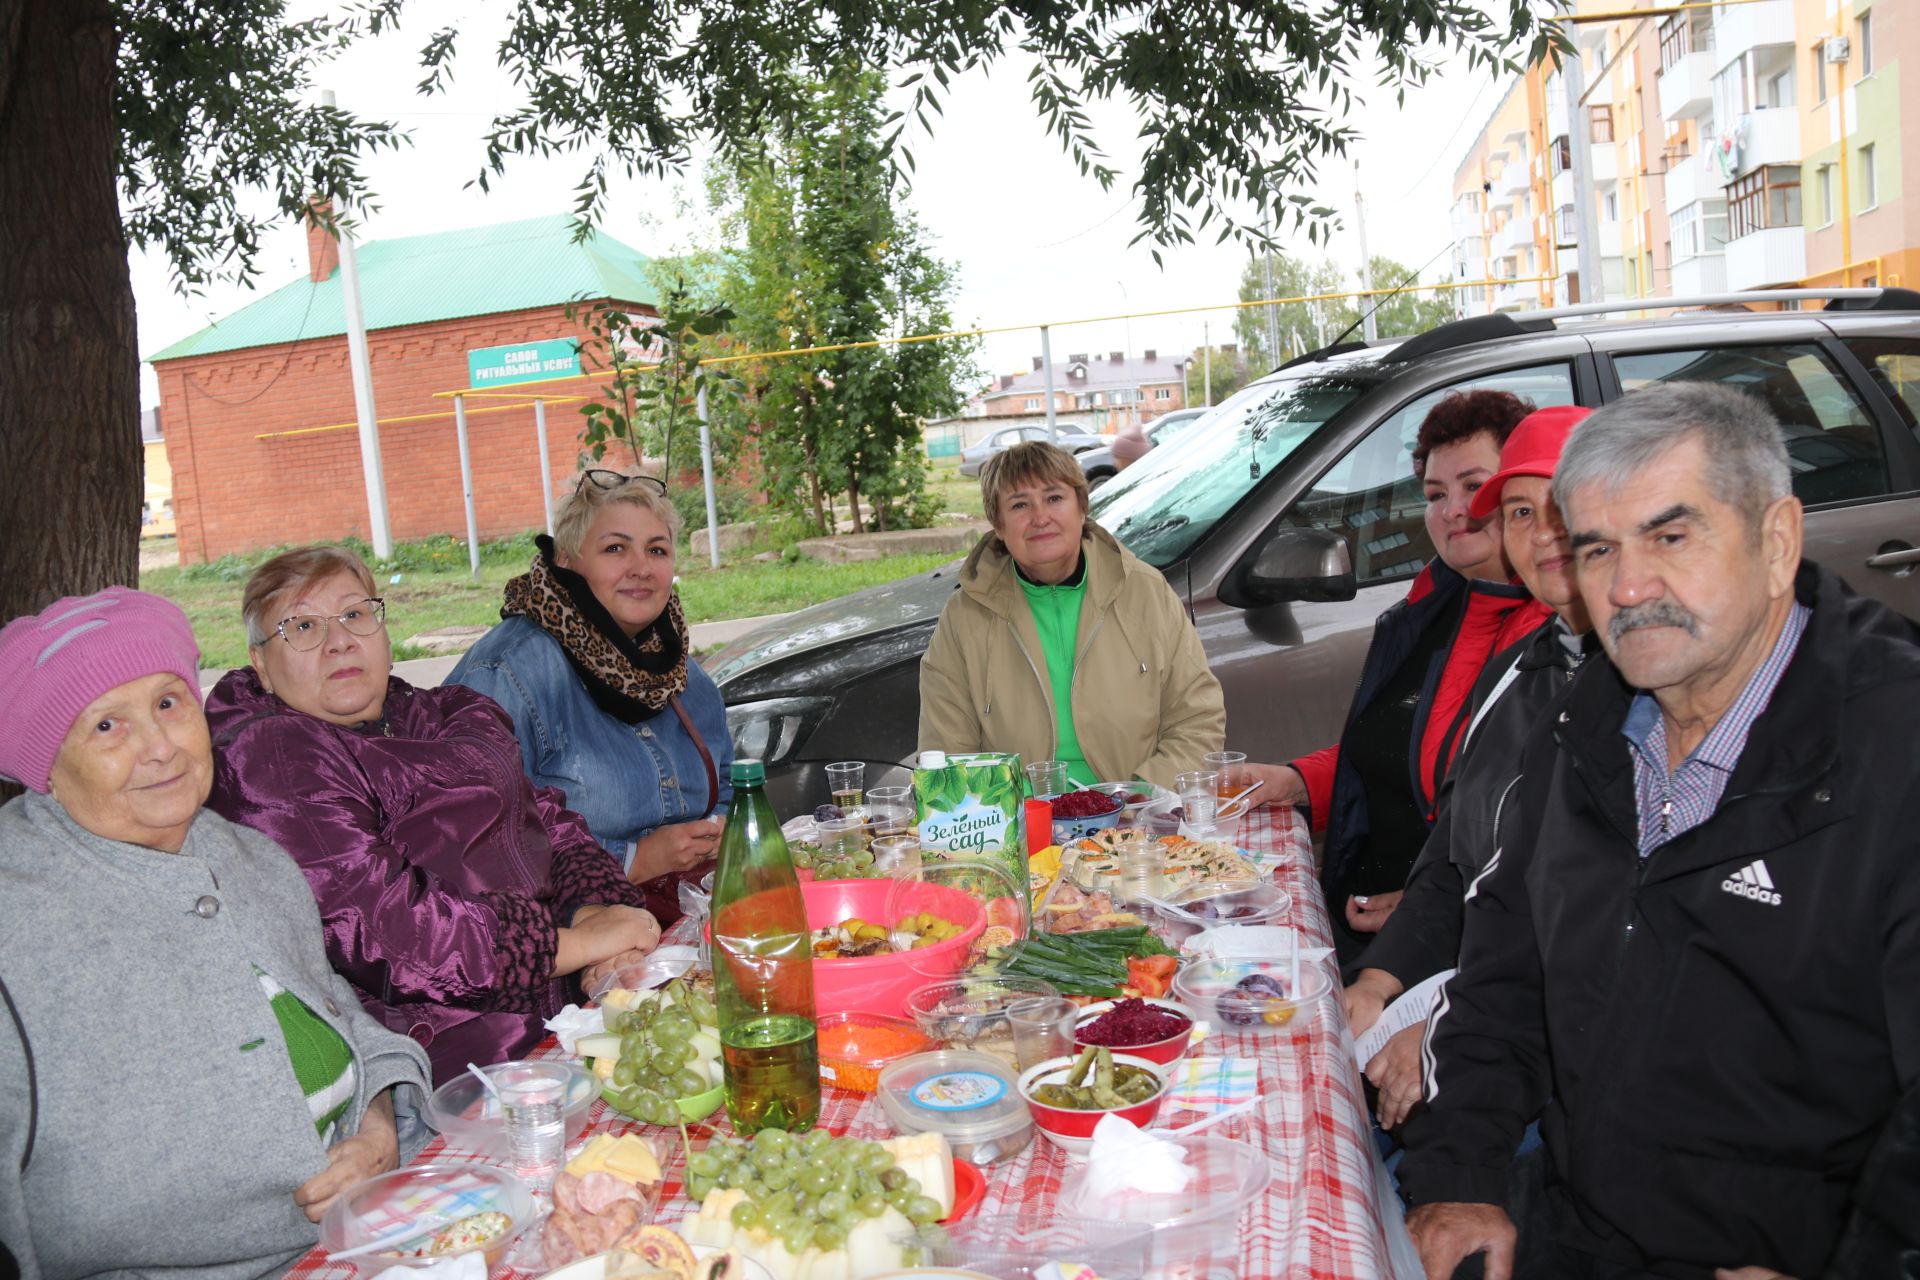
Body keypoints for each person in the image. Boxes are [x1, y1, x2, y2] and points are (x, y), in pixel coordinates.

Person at [1400, 383, 1920, 1279]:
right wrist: (1461, 1174)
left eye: (1670, 536)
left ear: (1777, 541)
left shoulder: (1894, 749)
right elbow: (1502, 976)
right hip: (1570, 1222)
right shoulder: (1585, 730)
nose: (1629, 587)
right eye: (1599, 548)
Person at [0, 588, 432, 1280]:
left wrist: (377, 1120)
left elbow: (332, 1010)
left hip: (364, 1233)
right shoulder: (15, 925)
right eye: (107, 727)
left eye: (169, 704)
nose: (160, 748)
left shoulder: (248, 857)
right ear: (47, 767)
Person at [203, 546, 665, 1085]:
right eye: (302, 626)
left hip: (558, 1020)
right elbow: (387, 931)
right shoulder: (276, 758)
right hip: (439, 1066)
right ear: (260, 662)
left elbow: (546, 821)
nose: (340, 640)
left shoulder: (444, 713)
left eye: (355, 614)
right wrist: (578, 945)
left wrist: (595, 909)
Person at [1342, 405, 1596, 1129]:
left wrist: (1454, 1025)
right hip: (1470, 987)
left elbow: (1597, 928)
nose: (1544, 534)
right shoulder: (1525, 667)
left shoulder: (1648, 691)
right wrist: (1377, 981)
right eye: (1520, 513)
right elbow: (1462, 856)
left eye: (1560, 508)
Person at [1243, 390, 1552, 961]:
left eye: (1474, 486)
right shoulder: (1427, 609)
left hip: (1459, 945)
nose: (1453, 509)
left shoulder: (1557, 642)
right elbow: (1396, 748)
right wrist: (1295, 781)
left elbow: (1536, 834)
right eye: (1436, 494)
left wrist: (1435, 907)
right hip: (1368, 912)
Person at [448, 471, 732, 901]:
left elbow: (728, 786)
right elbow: (468, 835)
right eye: (614, 548)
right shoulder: (508, 673)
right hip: (564, 944)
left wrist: (725, 827)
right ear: (566, 561)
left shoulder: (682, 676)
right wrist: (632, 859)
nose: (641, 568)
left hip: (685, 922)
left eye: (657, 549)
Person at [918, 439, 1225, 787]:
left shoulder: (1146, 592)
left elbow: (1198, 719)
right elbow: (947, 754)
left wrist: (1139, 798)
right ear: (998, 527)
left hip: (1139, 819)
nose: (1040, 517)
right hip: (1019, 827)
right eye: (1019, 505)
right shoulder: (963, 618)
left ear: (1082, 508)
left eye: (1054, 498)